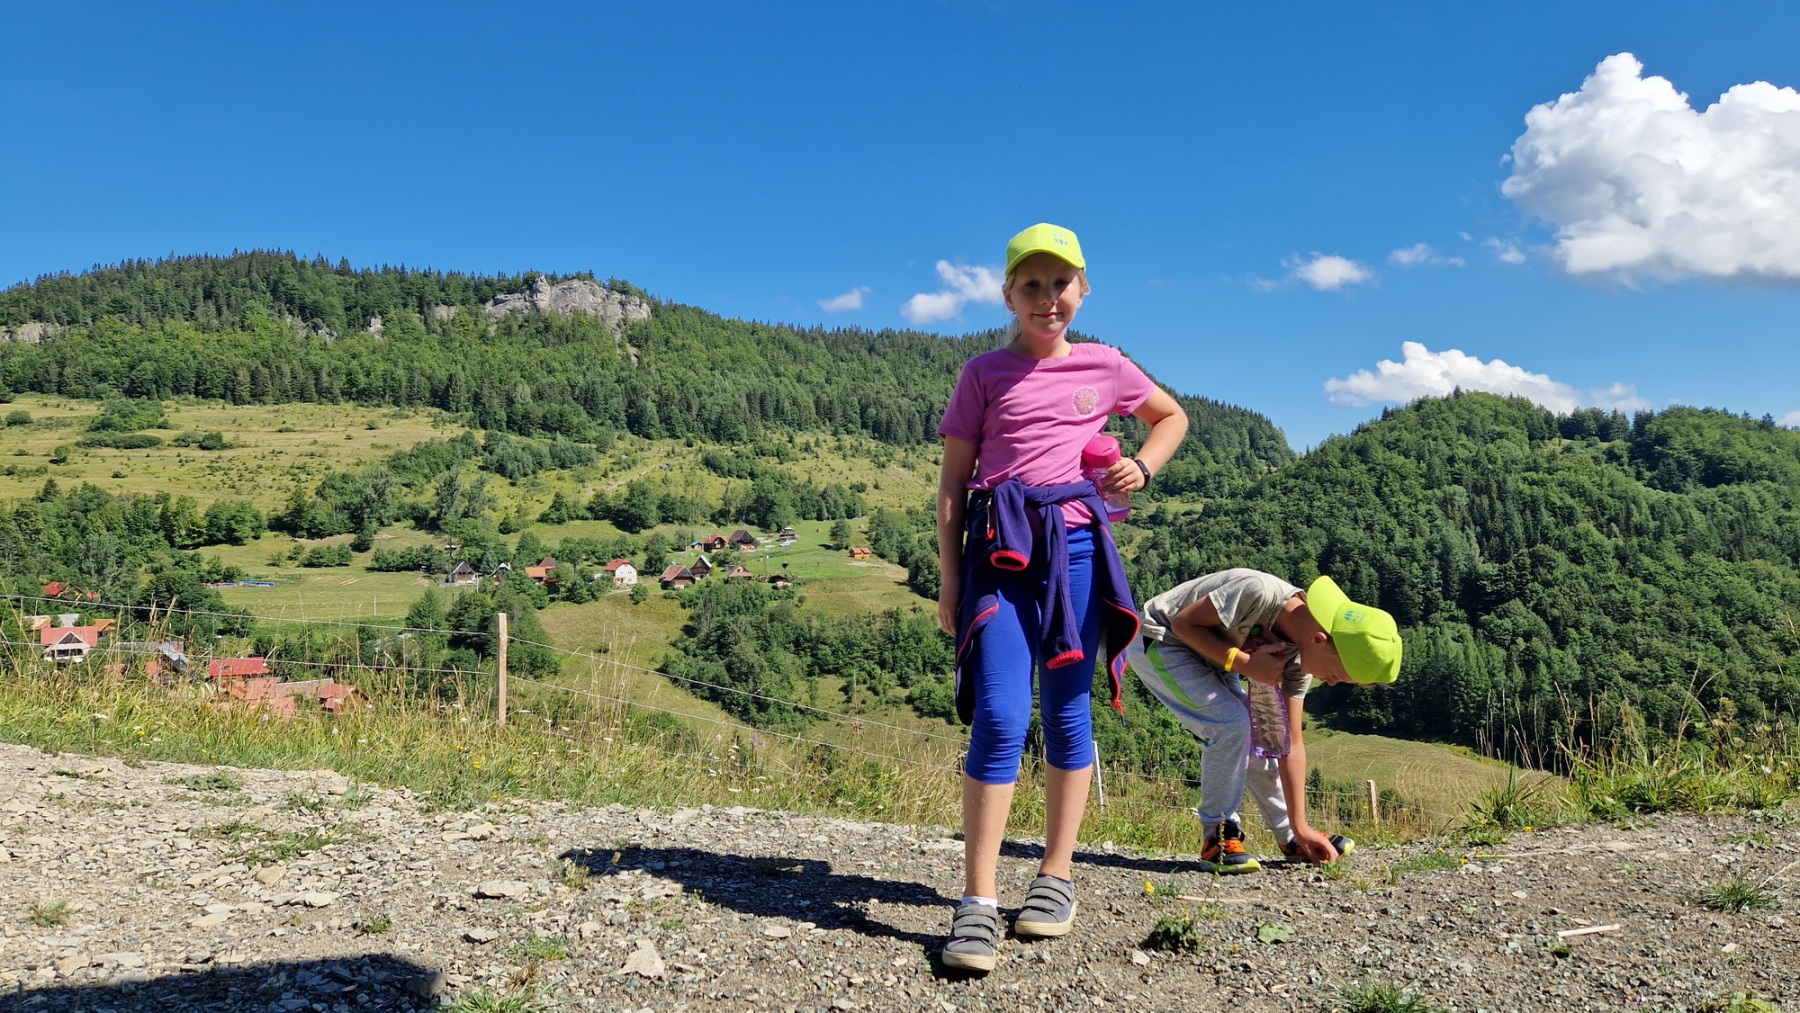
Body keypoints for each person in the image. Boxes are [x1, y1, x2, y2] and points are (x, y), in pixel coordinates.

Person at [934, 223, 1189, 971]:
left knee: (1068, 710)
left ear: (1083, 289)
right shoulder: (983, 374)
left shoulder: (1106, 364)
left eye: (1060, 284)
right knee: (1001, 714)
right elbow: (953, 484)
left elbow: (1172, 416)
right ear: (1008, 294)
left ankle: (1056, 876)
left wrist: (1143, 466)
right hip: (1000, 553)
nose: (1048, 298)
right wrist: (951, 578)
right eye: (1032, 285)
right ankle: (979, 901)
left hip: (1077, 552)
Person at [1127, 568, 1402, 872]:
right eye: (1336, 674)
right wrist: (1244, 662)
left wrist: (1301, 825)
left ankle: (1292, 837)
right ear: (1319, 639)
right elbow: (1184, 623)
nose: (1332, 682)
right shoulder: (1256, 591)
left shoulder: (1300, 656)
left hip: (1215, 660)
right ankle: (1218, 836)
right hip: (1162, 641)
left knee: (1264, 735)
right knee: (1232, 726)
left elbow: (1289, 741)